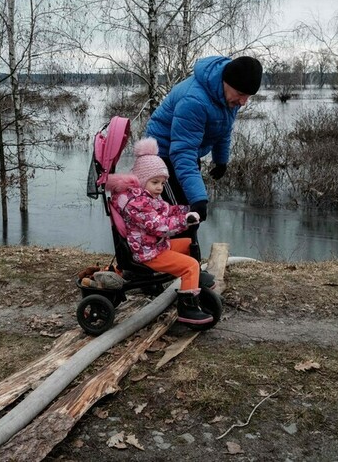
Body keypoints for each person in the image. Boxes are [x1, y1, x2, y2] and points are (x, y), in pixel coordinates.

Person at [145, 55, 263, 257]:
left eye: (248, 96)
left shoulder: (226, 97)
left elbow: (223, 128)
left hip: (184, 152)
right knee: (182, 215)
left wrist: (221, 159)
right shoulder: (195, 100)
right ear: (227, 82)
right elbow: (181, 152)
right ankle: (181, 270)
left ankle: (186, 269)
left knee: (189, 215)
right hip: (162, 157)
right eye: (241, 94)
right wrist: (199, 198)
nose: (243, 102)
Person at [106, 137, 212, 325]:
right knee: (190, 265)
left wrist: (188, 210)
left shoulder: (146, 197)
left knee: (189, 244)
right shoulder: (137, 204)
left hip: (154, 245)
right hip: (149, 253)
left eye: (162, 183)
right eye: (155, 182)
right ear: (141, 180)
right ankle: (187, 308)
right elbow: (159, 225)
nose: (159, 188)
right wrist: (184, 221)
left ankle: (193, 282)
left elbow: (166, 210)